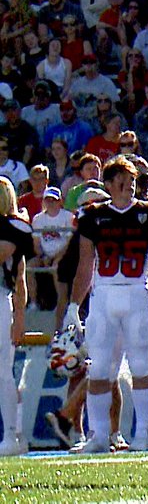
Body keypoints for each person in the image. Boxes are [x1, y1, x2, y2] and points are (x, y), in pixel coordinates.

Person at [64, 156, 148, 453]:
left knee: (142, 366)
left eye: (132, 181)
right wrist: (73, 306)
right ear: (108, 184)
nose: (128, 186)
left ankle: (141, 433)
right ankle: (99, 435)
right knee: (99, 368)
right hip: (104, 295)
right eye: (122, 181)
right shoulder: (93, 216)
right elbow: (85, 265)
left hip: (137, 293)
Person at [0, 177, 33, 455]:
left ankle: (12, 434)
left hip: (1, 299)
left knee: (2, 372)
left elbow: (19, 278)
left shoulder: (14, 227)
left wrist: (20, 317)